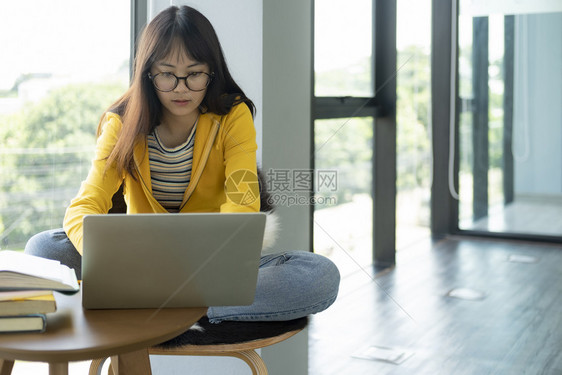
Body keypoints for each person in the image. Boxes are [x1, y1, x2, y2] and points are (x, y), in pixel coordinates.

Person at [25, 5, 339, 323]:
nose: (181, 87)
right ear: (148, 73)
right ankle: (195, 310)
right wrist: (114, 262)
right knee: (44, 248)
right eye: (167, 74)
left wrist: (215, 266)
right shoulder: (121, 122)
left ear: (211, 71)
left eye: (194, 74)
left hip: (212, 267)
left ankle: (161, 310)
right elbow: (83, 207)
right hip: (140, 265)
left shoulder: (233, 115)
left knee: (318, 275)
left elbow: (242, 204)